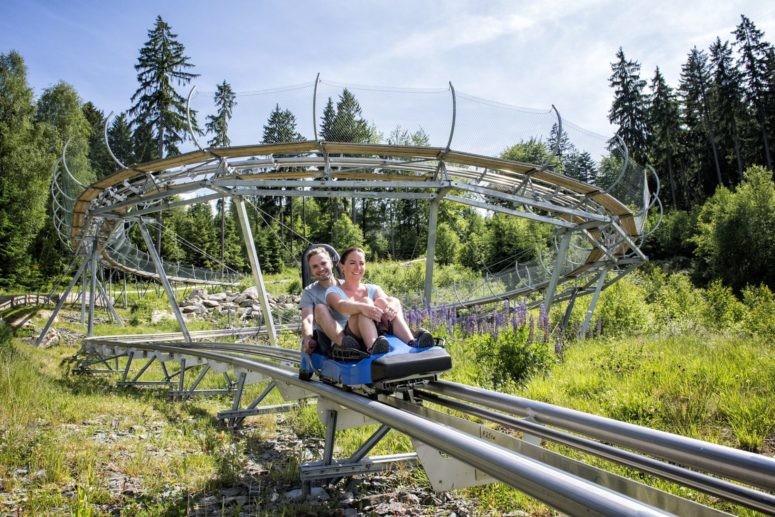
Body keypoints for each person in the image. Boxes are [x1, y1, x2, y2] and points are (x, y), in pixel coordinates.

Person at [325, 246, 434, 356]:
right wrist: (363, 307)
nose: (358, 267)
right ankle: (373, 347)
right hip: (353, 336)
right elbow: (341, 305)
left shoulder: (373, 288)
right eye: (352, 263)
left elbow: (388, 300)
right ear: (342, 267)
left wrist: (391, 305)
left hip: (380, 330)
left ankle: (412, 342)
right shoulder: (333, 291)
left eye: (361, 263)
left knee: (384, 302)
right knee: (366, 302)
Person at [299, 246, 357, 355]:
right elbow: (307, 320)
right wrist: (307, 339)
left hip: (352, 331)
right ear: (311, 271)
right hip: (328, 338)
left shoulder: (348, 285)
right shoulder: (309, 292)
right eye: (315, 266)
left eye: (323, 263)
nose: (321, 269)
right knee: (320, 308)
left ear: (331, 263)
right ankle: (345, 345)